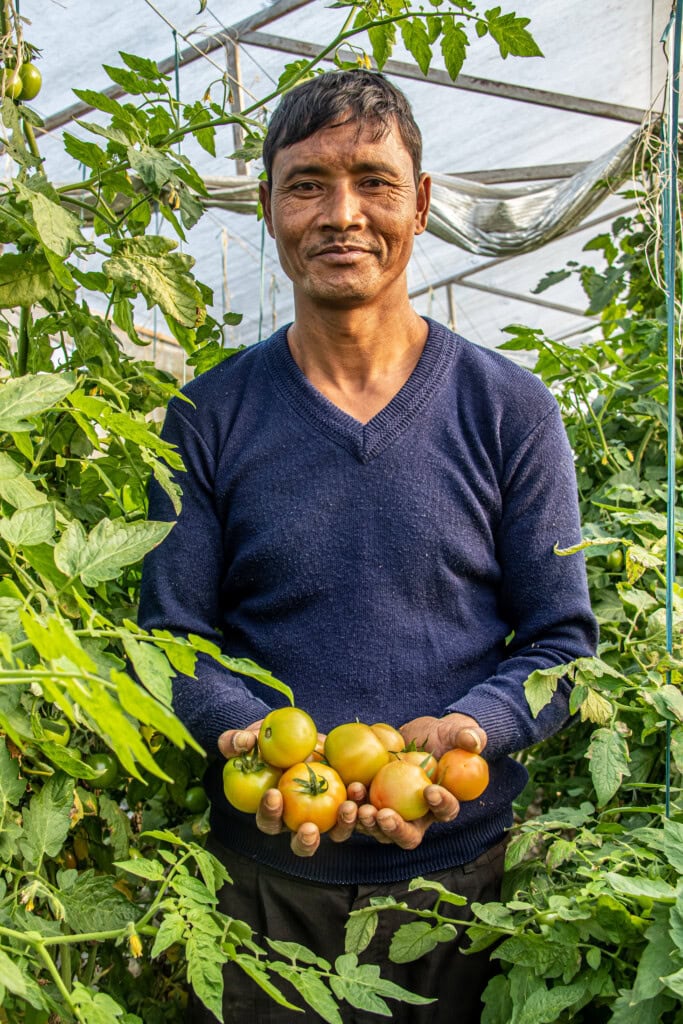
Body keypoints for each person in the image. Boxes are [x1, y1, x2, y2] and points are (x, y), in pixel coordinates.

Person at [139, 70, 598, 1023]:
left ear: (421, 204)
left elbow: (561, 644)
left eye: (373, 182)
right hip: (259, 898)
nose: (341, 214)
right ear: (268, 207)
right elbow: (172, 639)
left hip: (463, 898)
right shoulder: (203, 419)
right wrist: (246, 736)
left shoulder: (508, 409)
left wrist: (475, 729)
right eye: (306, 183)